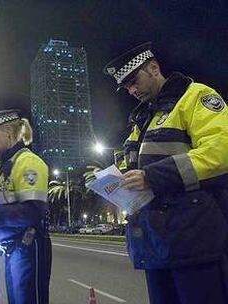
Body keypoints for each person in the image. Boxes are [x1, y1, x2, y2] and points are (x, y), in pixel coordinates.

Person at [103, 42, 228, 304]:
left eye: (134, 81)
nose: (132, 90)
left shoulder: (194, 96)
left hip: (194, 241)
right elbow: (136, 168)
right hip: (156, 243)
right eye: (126, 87)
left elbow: (221, 151)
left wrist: (152, 177)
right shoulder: (142, 119)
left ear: (154, 67)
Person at [0, 109, 52, 304]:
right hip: (12, 247)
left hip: (28, 246)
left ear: (7, 131)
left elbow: (33, 210)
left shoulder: (28, 162)